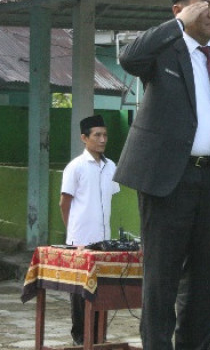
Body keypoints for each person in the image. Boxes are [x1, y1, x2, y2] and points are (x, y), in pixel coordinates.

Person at [113, 0, 210, 350]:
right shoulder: (163, 53)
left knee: (205, 282)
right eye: (204, 4)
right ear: (180, 9)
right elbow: (129, 57)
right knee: (162, 280)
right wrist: (177, 25)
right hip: (167, 180)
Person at [59, 114, 120, 345]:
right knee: (79, 293)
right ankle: (80, 338)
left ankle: (97, 337)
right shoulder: (75, 167)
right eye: (97, 135)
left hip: (102, 239)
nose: (102, 139)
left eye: (105, 135)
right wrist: (72, 234)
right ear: (84, 138)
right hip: (80, 240)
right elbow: (64, 203)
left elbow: (109, 199)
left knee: (101, 291)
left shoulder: (111, 166)